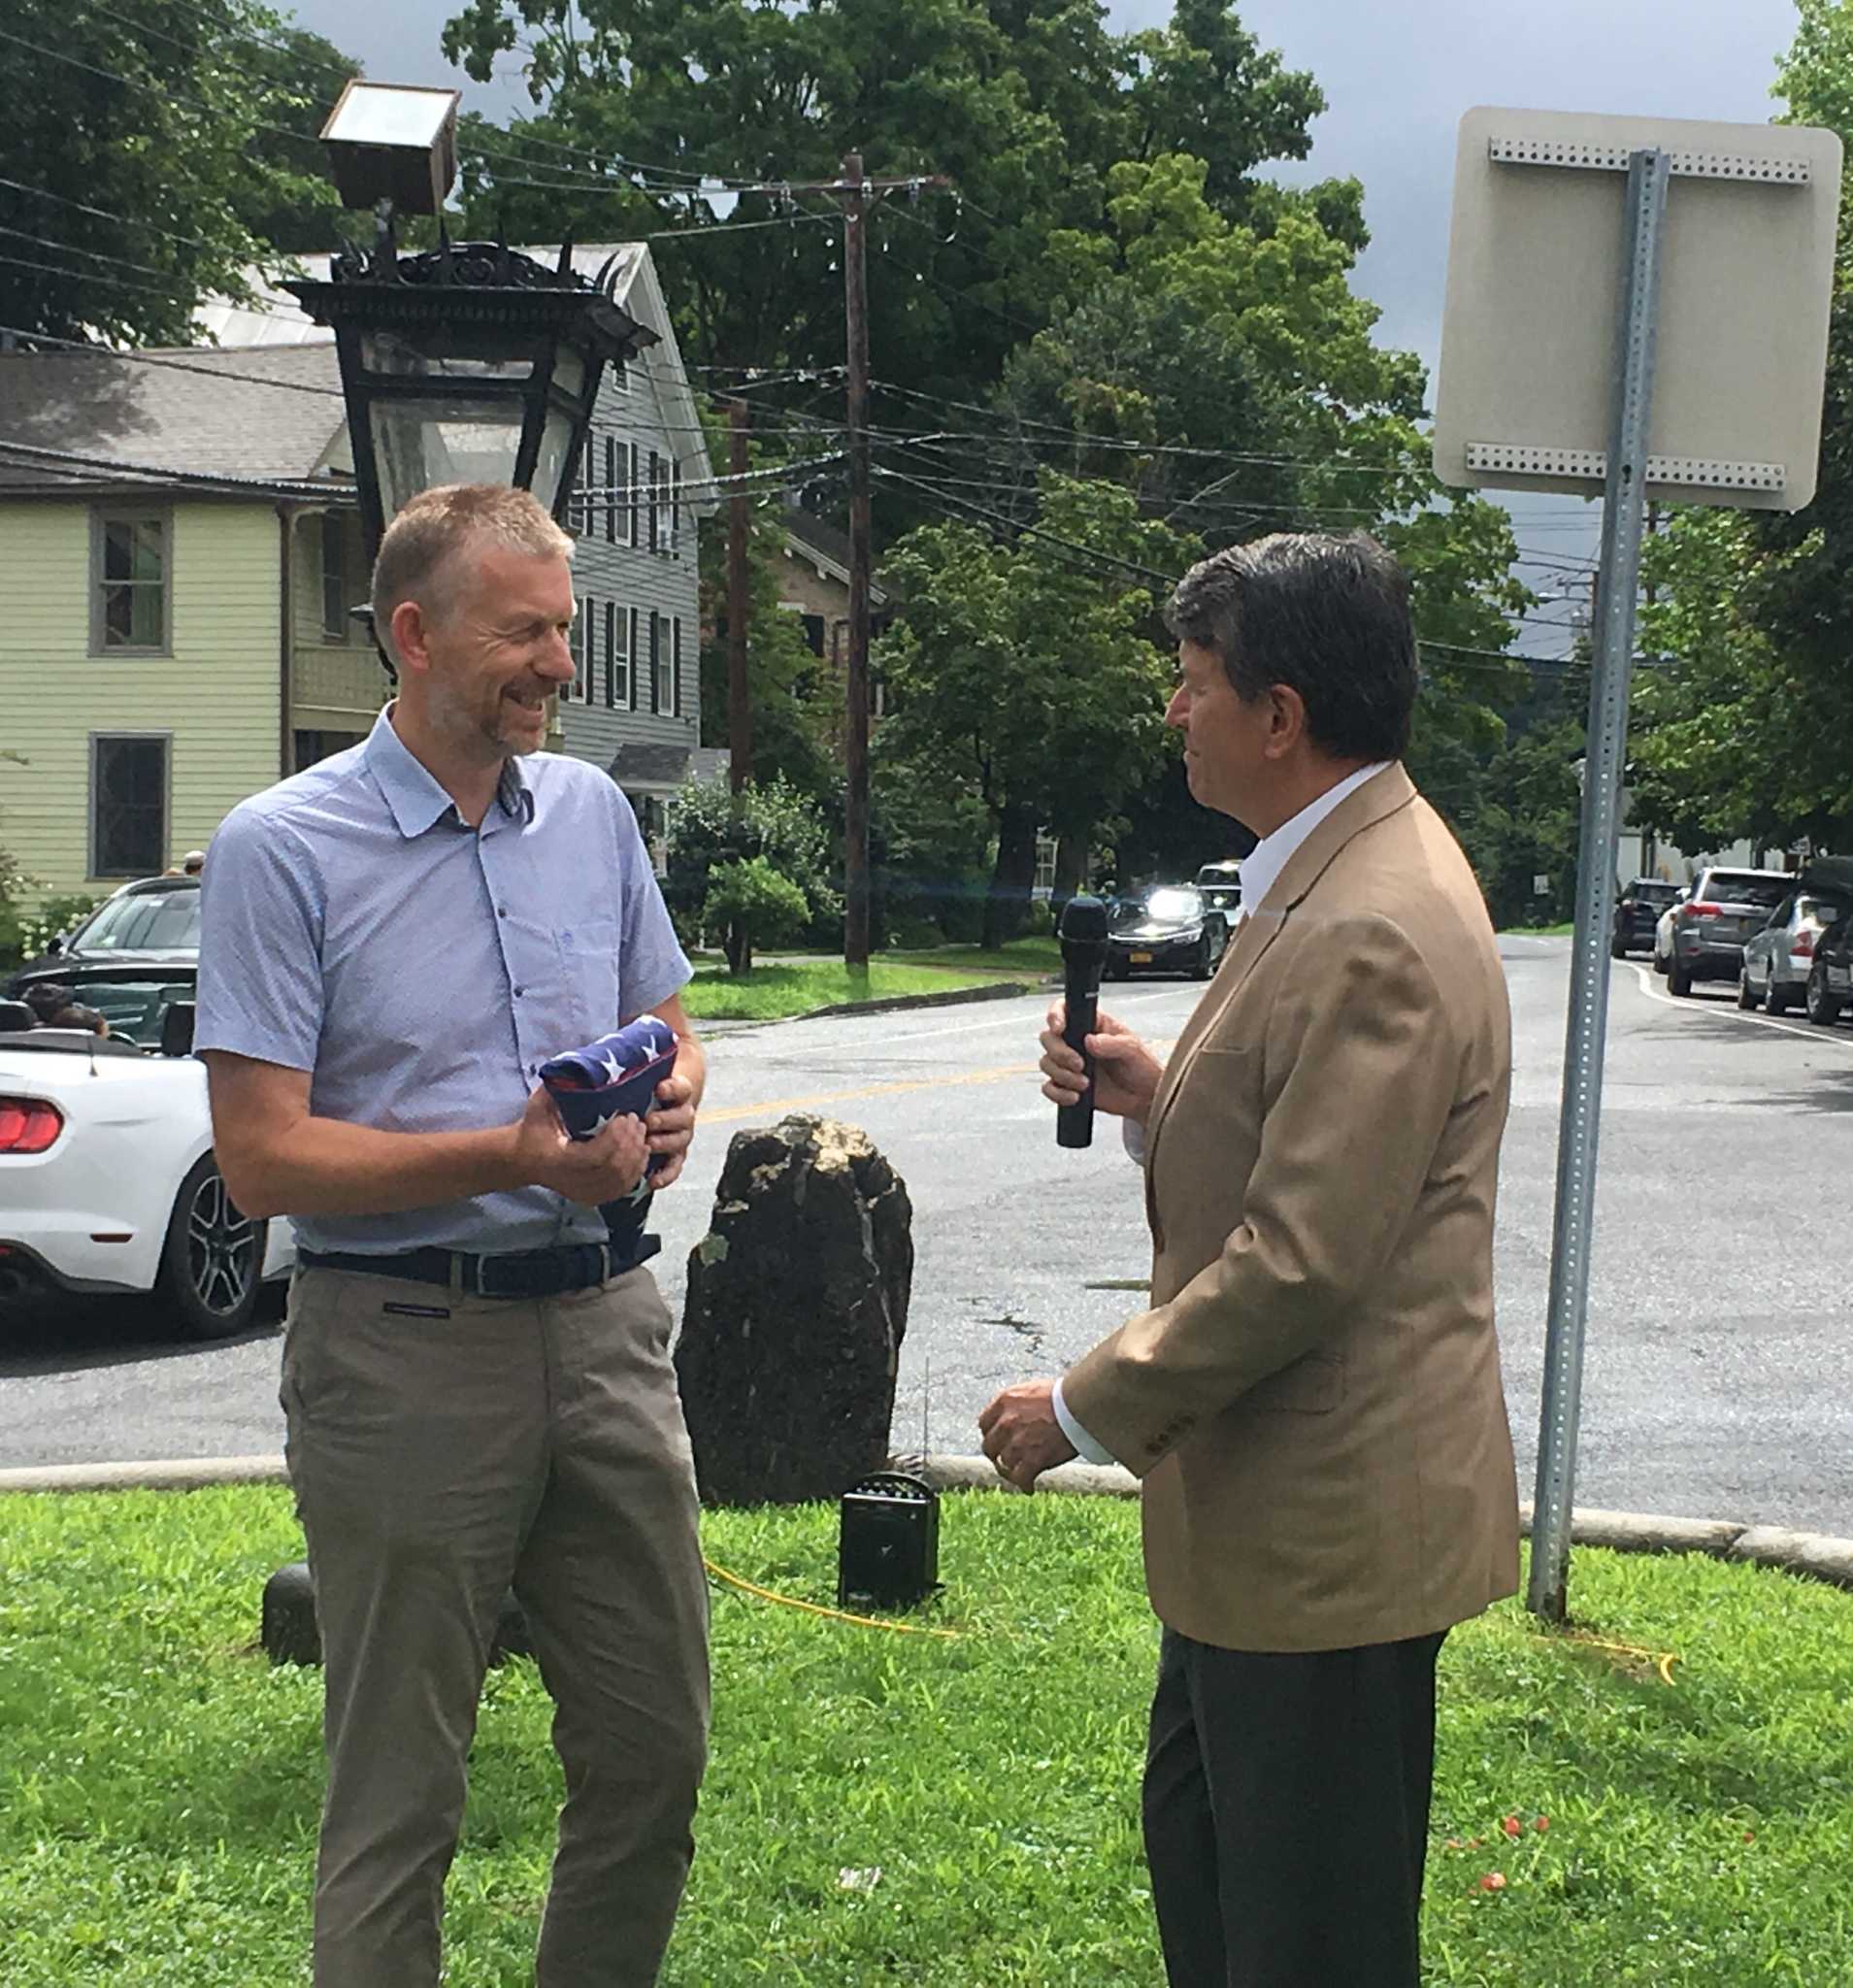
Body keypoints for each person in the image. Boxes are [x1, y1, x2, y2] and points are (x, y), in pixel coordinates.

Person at [979, 531, 1519, 1988]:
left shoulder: (1370, 917)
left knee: (1304, 1940)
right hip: (1271, 1538)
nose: (1173, 709)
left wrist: (1080, 1407)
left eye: (1193, 679)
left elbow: (1301, 1260)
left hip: (1324, 1540)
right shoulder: (1329, 868)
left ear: (1279, 714)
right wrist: (1164, 1100)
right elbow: (1317, 1147)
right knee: (1219, 1887)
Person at [194, 483, 709, 1988]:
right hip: (401, 1353)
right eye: (522, 633)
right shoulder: (283, 847)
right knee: (400, 1793)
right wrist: (509, 1154)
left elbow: (668, 1024)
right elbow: (261, 1160)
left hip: (608, 1335)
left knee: (654, 1751)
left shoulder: (592, 814)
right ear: (415, 635)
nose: (559, 664)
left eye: (562, 629)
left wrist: (673, 1093)